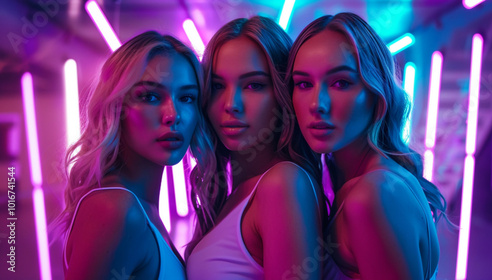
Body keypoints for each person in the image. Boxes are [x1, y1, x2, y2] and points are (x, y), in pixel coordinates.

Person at [288, 13, 447, 280]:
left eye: (341, 82)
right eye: (304, 84)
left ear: (376, 92)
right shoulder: (366, 180)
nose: (317, 104)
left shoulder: (373, 194)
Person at [53, 31, 210, 279]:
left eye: (187, 98)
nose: (173, 115)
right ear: (116, 107)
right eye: (150, 96)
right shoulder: (115, 209)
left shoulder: (141, 208)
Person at [185, 16, 327, 280]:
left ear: (284, 95)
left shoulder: (283, 183)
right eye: (217, 86)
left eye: (254, 85)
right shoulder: (238, 192)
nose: (231, 104)